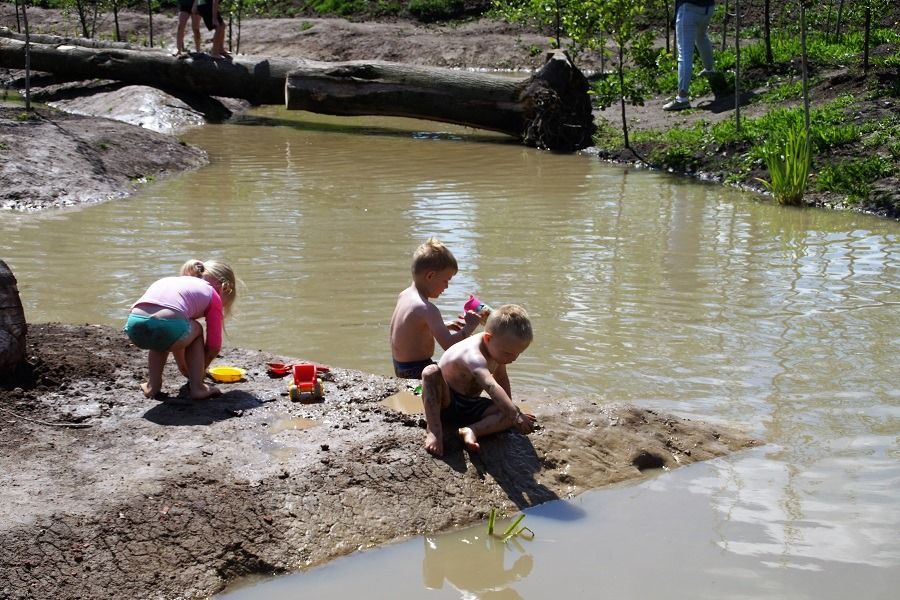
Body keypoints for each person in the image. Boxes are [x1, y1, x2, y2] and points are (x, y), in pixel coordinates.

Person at [423, 304, 537, 457]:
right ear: (488, 338)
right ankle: (435, 431)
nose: (513, 359)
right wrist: (515, 415)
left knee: (508, 412)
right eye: (509, 353)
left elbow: (501, 378)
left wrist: (512, 412)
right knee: (430, 371)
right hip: (445, 401)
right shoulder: (474, 356)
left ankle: (472, 430)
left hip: (471, 403)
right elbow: (490, 386)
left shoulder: (497, 350)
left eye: (517, 354)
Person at [123, 259, 237, 400]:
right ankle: (198, 388)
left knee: (161, 336)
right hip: (168, 326)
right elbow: (213, 347)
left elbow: (175, 336)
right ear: (224, 288)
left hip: (135, 326)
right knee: (196, 330)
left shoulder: (175, 282)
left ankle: (152, 385)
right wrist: (198, 372)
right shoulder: (213, 293)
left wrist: (184, 367)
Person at [389, 238, 481, 380]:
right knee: (468, 372)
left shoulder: (404, 295)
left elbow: (411, 328)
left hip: (400, 367)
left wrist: (444, 325)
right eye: (446, 280)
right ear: (430, 276)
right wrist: (470, 327)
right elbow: (450, 347)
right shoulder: (428, 309)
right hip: (418, 371)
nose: (447, 287)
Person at [664, 0, 717, 111]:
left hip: (689, 9)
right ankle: (709, 70)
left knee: (684, 54)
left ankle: (682, 98)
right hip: (708, 7)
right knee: (701, 36)